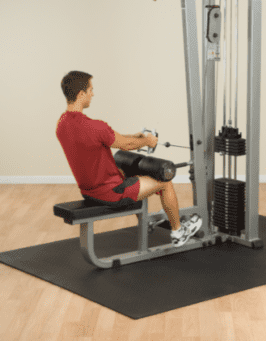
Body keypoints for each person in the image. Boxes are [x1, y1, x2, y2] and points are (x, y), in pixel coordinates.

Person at [56, 71, 202, 247]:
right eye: (90, 90)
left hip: (88, 191)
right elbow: (125, 145)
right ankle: (179, 232)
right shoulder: (95, 126)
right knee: (165, 182)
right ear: (81, 94)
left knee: (126, 172)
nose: (92, 94)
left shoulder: (62, 124)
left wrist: (135, 136)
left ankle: (146, 222)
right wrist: (148, 140)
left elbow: (112, 139)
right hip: (111, 193)